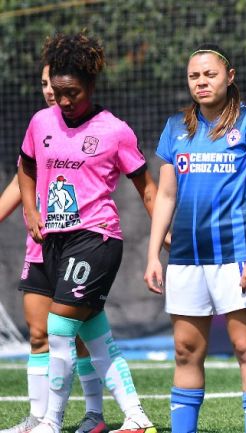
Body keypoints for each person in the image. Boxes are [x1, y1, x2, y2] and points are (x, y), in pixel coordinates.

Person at [17, 31, 157, 433]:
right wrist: (30, 209)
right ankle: (136, 417)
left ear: (91, 86)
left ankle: (50, 422)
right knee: (95, 336)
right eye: (58, 93)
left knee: (60, 329)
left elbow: (146, 187)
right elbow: (26, 166)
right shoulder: (41, 121)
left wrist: (164, 233)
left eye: (72, 93)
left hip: (95, 237)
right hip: (52, 244)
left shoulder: (115, 130)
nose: (63, 102)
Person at [144, 44, 246, 433]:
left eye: (210, 74)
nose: (201, 82)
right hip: (185, 258)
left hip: (238, 256)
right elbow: (166, 195)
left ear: (230, 76)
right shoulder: (176, 128)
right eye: (194, 76)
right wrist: (154, 255)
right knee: (186, 352)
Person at [0, 59, 106, 433]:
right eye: (45, 83)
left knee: (75, 337)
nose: (50, 91)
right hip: (40, 245)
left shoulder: (98, 127)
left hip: (81, 246)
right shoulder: (39, 126)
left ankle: (95, 414)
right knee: (38, 334)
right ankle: (38, 418)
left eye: (56, 84)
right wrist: (27, 211)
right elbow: (21, 179)